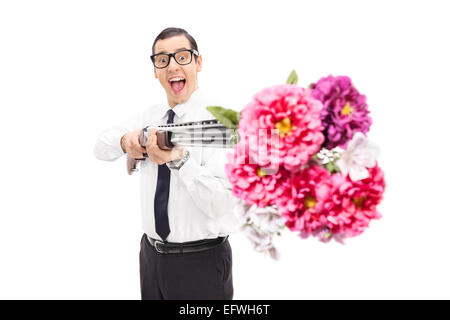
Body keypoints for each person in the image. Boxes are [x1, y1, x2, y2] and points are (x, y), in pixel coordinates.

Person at [93, 27, 240, 300]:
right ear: (155, 70)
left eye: (182, 56)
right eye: (162, 59)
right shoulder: (150, 116)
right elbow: (101, 146)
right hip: (150, 258)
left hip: (201, 263)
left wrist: (180, 160)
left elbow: (221, 204)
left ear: (198, 62)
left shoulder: (222, 123)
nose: (172, 65)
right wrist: (128, 142)